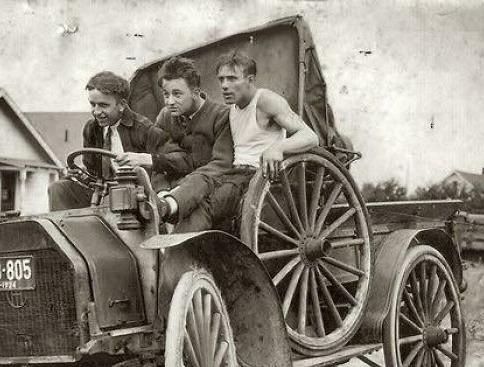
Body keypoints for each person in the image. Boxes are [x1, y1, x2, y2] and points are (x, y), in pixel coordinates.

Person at [48, 71, 190, 211]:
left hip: (135, 198)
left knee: (115, 200)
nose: (96, 112)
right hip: (103, 193)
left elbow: (182, 160)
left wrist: (144, 158)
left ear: (121, 105)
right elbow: (94, 176)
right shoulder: (92, 129)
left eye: (103, 105)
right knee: (58, 188)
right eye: (93, 105)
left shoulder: (143, 128)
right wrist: (81, 175)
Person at [212, 51, 319, 226]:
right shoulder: (233, 109)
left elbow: (311, 137)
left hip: (260, 178)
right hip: (235, 176)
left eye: (232, 79)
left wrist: (278, 147)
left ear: (250, 79)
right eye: (221, 79)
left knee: (209, 205)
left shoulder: (265, 100)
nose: (224, 85)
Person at [153, 56, 234, 232]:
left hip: (213, 186)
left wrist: (181, 192)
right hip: (171, 191)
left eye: (177, 94)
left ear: (195, 92)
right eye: (166, 94)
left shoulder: (221, 116)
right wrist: (161, 192)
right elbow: (161, 163)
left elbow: (221, 165)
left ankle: (179, 256)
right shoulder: (165, 117)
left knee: (195, 210)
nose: (169, 101)